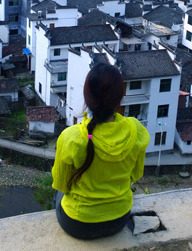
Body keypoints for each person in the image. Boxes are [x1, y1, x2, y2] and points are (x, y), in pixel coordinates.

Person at [52, 62, 150, 240]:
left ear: (87, 97)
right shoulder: (136, 131)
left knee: (57, 194)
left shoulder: (72, 138)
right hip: (119, 219)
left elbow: (61, 184)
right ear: (120, 97)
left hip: (78, 224)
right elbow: (135, 175)